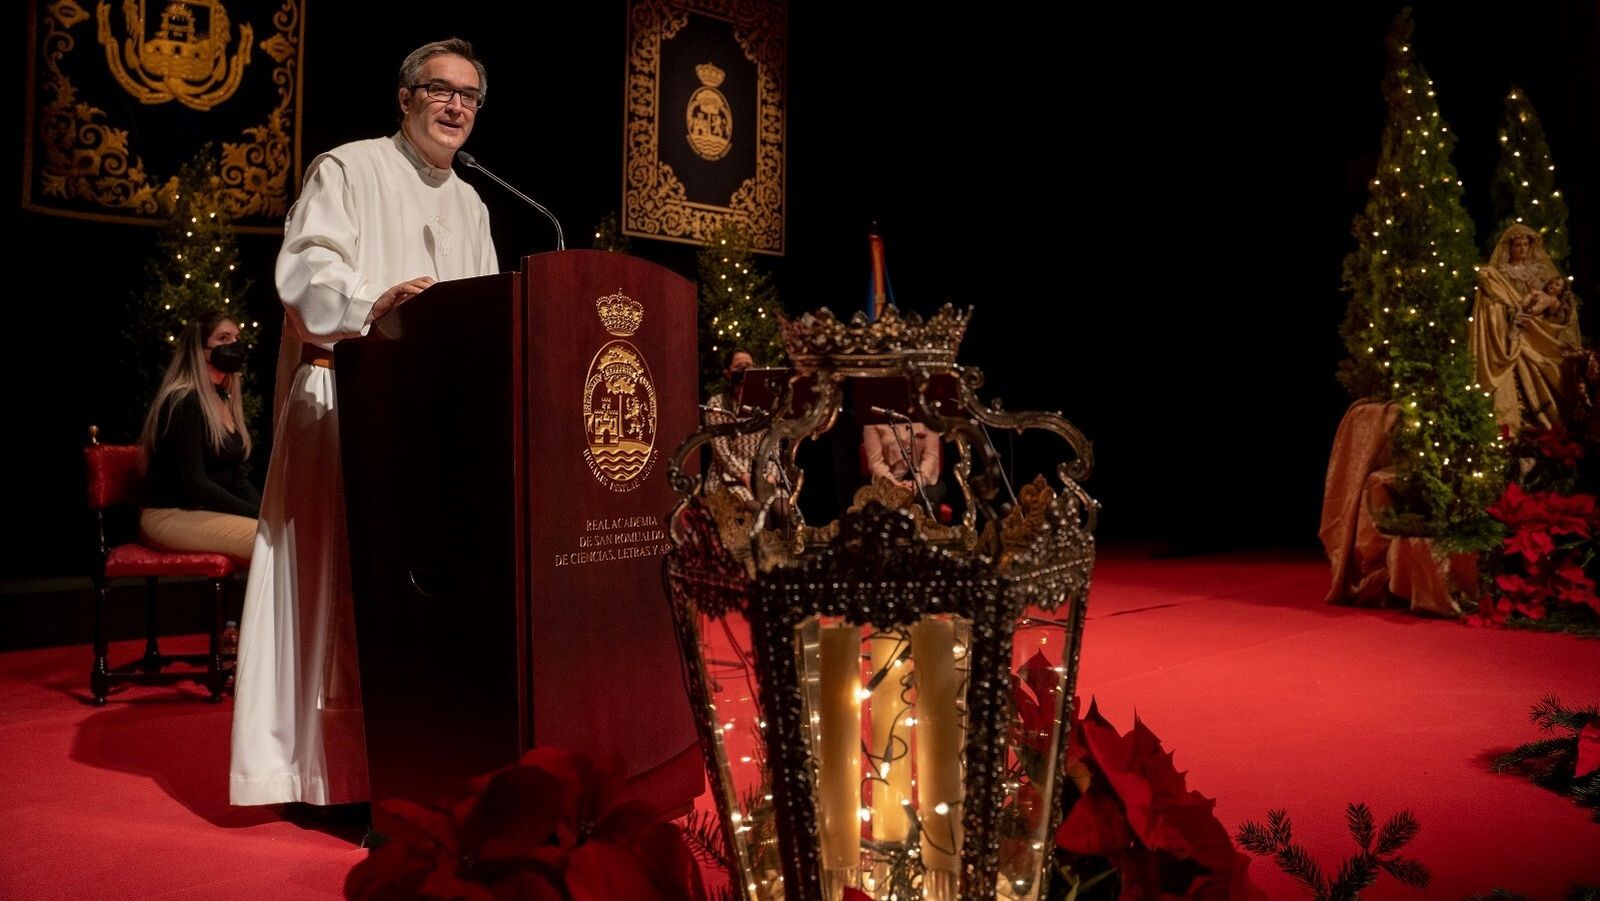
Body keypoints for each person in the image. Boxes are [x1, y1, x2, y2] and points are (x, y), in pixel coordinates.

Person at [230, 37, 500, 809]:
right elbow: (305, 272)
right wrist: (370, 304)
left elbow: (480, 310)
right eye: (440, 90)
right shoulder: (348, 168)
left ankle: (405, 765)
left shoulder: (475, 202)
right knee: (331, 587)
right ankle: (315, 773)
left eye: (470, 97)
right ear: (405, 97)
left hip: (434, 426)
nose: (456, 106)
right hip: (341, 399)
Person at [138, 314, 259, 564]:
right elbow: (195, 483)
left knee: (280, 533)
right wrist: (255, 515)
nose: (234, 344)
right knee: (270, 542)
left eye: (237, 338)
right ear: (199, 349)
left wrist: (266, 513)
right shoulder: (183, 401)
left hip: (200, 512)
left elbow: (236, 477)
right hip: (168, 516)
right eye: (224, 338)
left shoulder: (222, 397)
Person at [1470, 223, 1583, 429]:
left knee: (1546, 370)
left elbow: (1555, 299)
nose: (1522, 250)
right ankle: (1516, 425)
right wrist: (1508, 312)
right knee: (1514, 376)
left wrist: (1552, 307)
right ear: (1509, 248)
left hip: (1535, 329)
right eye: (1517, 246)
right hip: (1513, 328)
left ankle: (1545, 424)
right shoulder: (1500, 273)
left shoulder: (1539, 271)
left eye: (1525, 245)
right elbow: (1494, 302)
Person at [703, 349, 768, 511]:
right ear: (727, 373)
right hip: (727, 478)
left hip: (762, 475)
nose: (746, 371)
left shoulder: (761, 404)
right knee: (757, 510)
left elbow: (772, 447)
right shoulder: (718, 403)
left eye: (750, 366)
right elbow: (721, 450)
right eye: (740, 367)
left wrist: (770, 478)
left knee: (782, 510)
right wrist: (745, 477)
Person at [862, 419, 945, 506]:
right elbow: (875, 463)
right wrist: (896, 485)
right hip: (889, 480)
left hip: (923, 480)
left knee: (927, 498)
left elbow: (931, 457)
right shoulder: (871, 421)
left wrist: (917, 483)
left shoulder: (926, 417)